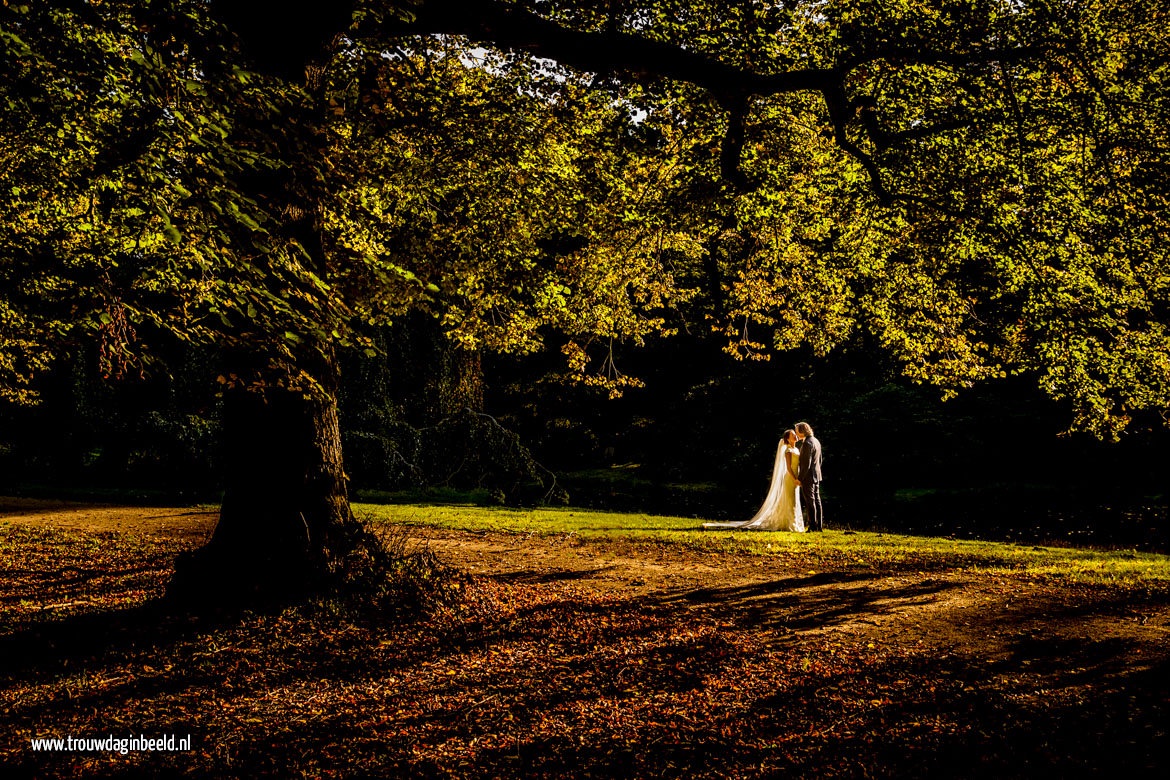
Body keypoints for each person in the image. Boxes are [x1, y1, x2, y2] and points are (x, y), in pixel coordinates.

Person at [704, 429, 804, 532]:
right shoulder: (788, 450)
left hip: (796, 478)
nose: (795, 436)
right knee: (791, 500)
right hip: (790, 478)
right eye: (793, 435)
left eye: (795, 434)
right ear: (788, 438)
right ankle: (790, 524)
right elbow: (788, 467)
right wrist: (795, 479)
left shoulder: (796, 449)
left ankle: (790, 522)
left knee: (794, 500)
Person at [794, 421, 823, 531]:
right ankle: (819, 526)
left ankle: (813, 526)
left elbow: (806, 463)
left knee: (810, 501)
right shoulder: (816, 441)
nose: (796, 433)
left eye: (797, 431)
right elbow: (819, 460)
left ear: (801, 431)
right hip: (816, 475)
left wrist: (800, 478)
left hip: (808, 476)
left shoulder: (807, 443)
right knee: (817, 500)